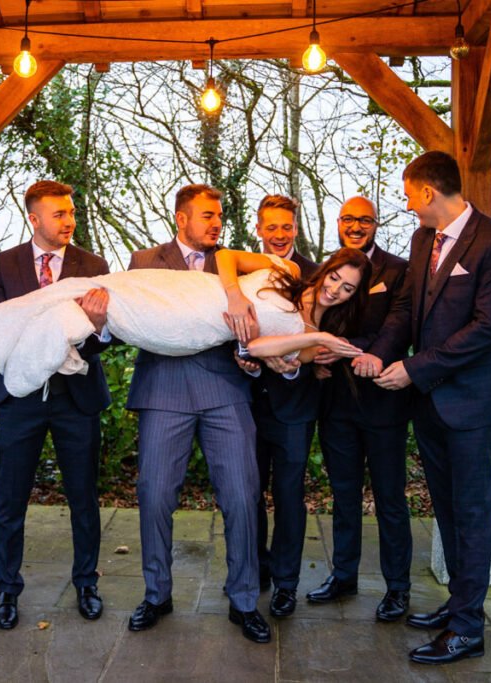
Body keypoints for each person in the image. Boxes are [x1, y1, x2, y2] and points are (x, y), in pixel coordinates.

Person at [124, 185, 359, 645]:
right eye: (207, 216)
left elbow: (266, 320)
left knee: (242, 496)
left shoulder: (236, 262)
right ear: (181, 219)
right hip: (162, 389)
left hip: (227, 390)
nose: (215, 224)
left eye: (220, 216)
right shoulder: (144, 261)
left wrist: (250, 356)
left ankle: (245, 600)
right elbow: (135, 321)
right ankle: (157, 594)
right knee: (154, 495)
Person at [360, 152, 491, 664]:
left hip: (471, 401)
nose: (408, 206)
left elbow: (485, 329)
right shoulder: (422, 239)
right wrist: (379, 353)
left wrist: (415, 368)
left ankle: (469, 629)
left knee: (472, 512)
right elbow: (408, 307)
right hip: (429, 401)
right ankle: (459, 603)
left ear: (428, 192)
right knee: (447, 507)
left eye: (410, 195)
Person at [0, 180, 112, 631]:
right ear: (34, 218)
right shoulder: (5, 264)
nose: (69, 221)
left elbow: (103, 338)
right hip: (19, 397)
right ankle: (6, 590)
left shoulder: (92, 266)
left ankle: (86, 584)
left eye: (71, 212)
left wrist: (94, 328)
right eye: (59, 214)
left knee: (83, 498)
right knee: (10, 500)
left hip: (77, 398)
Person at [306, 196, 414, 624]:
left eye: (364, 220)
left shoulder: (397, 270)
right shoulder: (325, 272)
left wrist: (359, 351)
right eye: (349, 218)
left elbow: (397, 325)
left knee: (390, 498)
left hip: (383, 400)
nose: (356, 225)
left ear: (376, 224)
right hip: (335, 403)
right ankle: (344, 575)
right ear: (338, 223)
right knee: (343, 495)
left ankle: (398, 588)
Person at [238, 194, 320, 619]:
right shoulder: (240, 270)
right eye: (271, 226)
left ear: (295, 228)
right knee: (248, 493)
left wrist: (293, 364)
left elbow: (319, 335)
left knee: (289, 495)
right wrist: (245, 357)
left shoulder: (314, 276)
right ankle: (257, 570)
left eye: (286, 226)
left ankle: (287, 583)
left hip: (295, 402)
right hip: (248, 401)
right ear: (258, 228)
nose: (278, 234)